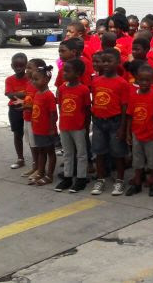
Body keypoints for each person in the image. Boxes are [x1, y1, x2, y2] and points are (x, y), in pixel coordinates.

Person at [90, 49, 130, 196]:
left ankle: (119, 180)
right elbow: (95, 100)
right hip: (99, 122)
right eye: (103, 61)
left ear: (118, 62)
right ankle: (100, 179)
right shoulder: (96, 81)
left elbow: (124, 107)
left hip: (115, 122)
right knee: (99, 152)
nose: (105, 64)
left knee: (118, 153)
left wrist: (122, 127)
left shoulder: (122, 83)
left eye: (109, 61)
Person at [125, 65, 153, 197]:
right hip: (136, 134)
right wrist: (128, 134)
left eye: (147, 80)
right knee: (137, 160)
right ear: (137, 79)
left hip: (150, 134)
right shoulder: (133, 96)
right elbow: (130, 115)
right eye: (141, 80)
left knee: (152, 161)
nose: (144, 83)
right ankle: (137, 183)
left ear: (152, 81)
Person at [54, 59, 91, 193]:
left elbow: (87, 110)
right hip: (65, 126)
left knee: (81, 153)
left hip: (78, 127)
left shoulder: (83, 90)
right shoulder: (62, 88)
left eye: (68, 71)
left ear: (78, 73)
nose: (64, 73)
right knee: (67, 153)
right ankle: (68, 177)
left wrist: (86, 127)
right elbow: (60, 106)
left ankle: (81, 178)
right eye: (64, 70)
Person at [29, 64, 58, 186]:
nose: (33, 82)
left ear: (46, 80)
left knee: (50, 152)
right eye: (32, 79)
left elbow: (53, 113)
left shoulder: (49, 95)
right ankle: (41, 172)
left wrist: (51, 128)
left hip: (46, 130)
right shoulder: (37, 94)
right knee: (41, 151)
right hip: (38, 129)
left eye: (36, 79)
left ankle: (49, 175)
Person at [5, 53, 29, 170]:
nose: (18, 68)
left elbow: (33, 92)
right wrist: (25, 94)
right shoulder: (9, 79)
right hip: (15, 109)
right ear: (12, 66)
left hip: (28, 107)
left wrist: (16, 94)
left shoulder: (30, 78)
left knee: (31, 134)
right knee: (17, 134)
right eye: (16, 66)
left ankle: (37, 159)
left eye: (21, 65)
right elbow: (9, 95)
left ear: (26, 66)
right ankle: (20, 158)